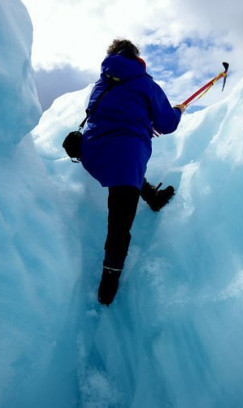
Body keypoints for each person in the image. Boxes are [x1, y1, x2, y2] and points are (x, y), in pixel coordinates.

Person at [80, 39, 186, 306]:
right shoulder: (145, 84)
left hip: (92, 154)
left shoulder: (101, 84)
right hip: (124, 159)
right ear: (136, 58)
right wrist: (178, 110)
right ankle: (109, 280)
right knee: (119, 224)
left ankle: (151, 196)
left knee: (126, 169)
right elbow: (167, 123)